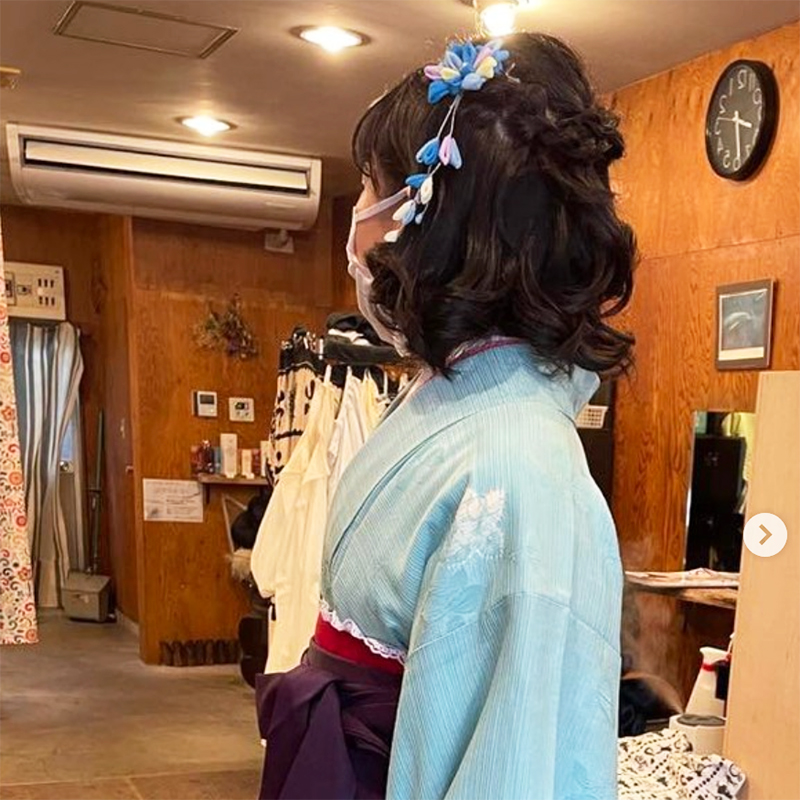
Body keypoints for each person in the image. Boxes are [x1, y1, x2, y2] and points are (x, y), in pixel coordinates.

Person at [256, 31, 635, 800]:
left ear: (431, 220)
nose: (358, 218)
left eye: (370, 188)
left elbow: (513, 771)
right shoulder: (451, 398)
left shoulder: (518, 468)